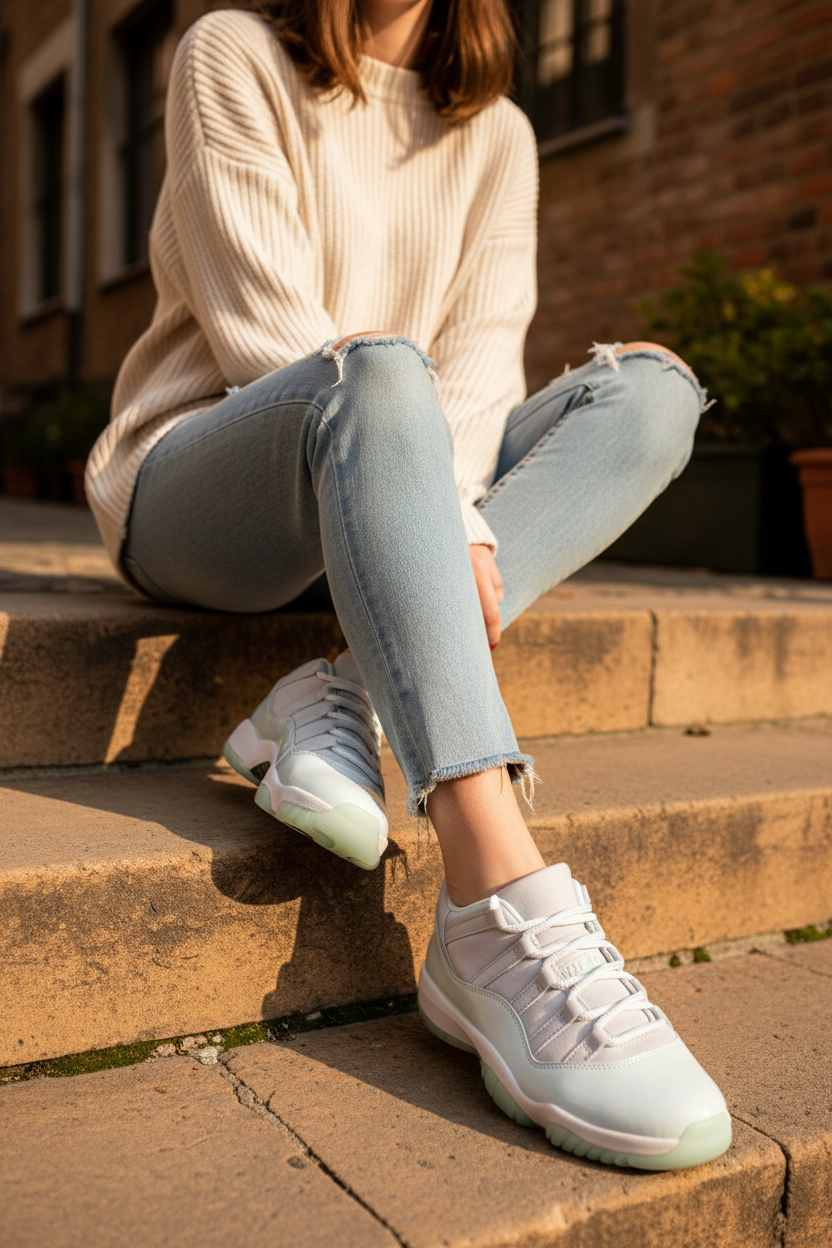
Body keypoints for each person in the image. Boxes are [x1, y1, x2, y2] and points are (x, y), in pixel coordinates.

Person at [86, 0, 730, 1170]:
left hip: (399, 478)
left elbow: (484, 358)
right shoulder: (231, 52)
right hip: (209, 487)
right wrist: (452, 516)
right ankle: (490, 898)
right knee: (375, 371)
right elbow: (265, 328)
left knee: (649, 396)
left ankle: (348, 687)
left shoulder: (497, 133)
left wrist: (453, 516)